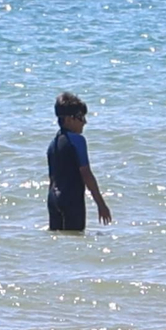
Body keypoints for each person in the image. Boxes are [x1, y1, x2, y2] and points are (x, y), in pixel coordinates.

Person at [47, 92, 112, 231]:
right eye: (81, 117)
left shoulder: (53, 144)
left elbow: (52, 178)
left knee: (58, 241)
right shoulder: (77, 140)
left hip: (52, 200)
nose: (84, 122)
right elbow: (86, 173)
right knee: (74, 240)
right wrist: (101, 205)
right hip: (71, 199)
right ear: (69, 120)